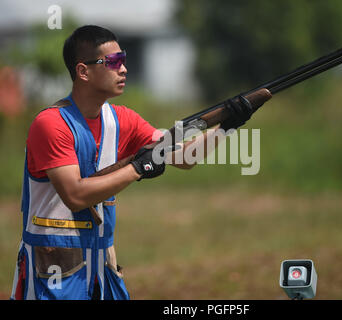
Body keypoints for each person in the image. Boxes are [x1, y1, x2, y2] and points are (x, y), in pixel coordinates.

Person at [10, 25, 254, 300]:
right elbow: (75, 196)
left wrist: (227, 126)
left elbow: (184, 157)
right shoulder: (51, 124)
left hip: (102, 269)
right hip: (53, 273)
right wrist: (136, 169)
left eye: (123, 60)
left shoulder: (122, 120)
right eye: (113, 62)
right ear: (83, 71)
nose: (123, 68)